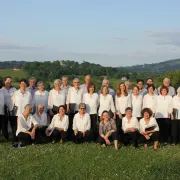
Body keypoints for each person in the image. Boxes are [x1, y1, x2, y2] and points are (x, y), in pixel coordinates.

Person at [12, 79, 32, 143]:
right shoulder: (16, 93)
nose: (23, 85)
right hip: (17, 113)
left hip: (25, 114)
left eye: (24, 83)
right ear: (20, 84)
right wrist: (11, 110)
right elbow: (13, 102)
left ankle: (23, 138)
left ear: (26, 85)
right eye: (22, 83)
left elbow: (30, 103)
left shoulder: (28, 93)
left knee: (24, 126)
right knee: (16, 126)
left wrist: (30, 111)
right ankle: (15, 139)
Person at [1, 76, 16, 141]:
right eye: (8, 80)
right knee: (4, 124)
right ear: (5, 81)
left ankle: (15, 137)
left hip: (13, 109)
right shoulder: (1, 90)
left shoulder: (14, 89)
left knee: (13, 124)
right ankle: (6, 137)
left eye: (10, 81)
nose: (9, 82)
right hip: (4, 110)